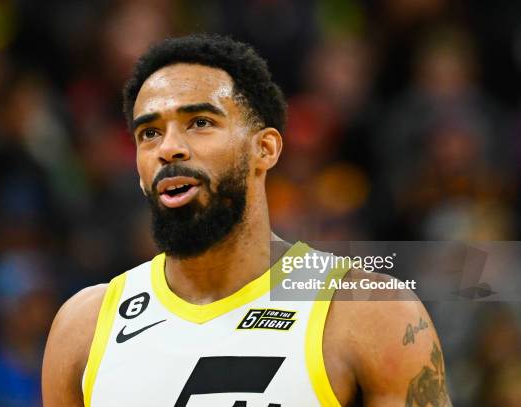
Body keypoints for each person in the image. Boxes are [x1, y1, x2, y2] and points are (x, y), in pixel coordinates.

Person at [42, 34, 452, 406]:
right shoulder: (84, 325)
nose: (168, 148)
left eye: (199, 123)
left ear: (266, 149)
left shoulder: (369, 313)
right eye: (148, 133)